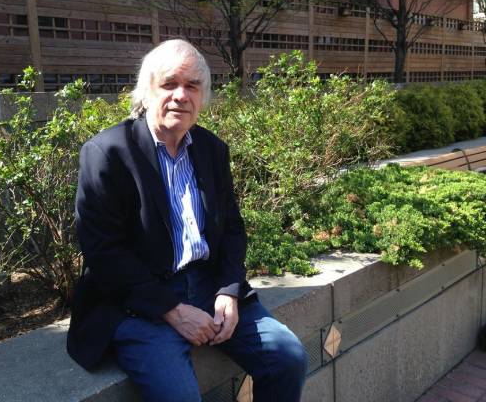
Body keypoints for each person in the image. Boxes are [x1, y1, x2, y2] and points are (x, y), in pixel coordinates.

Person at [67, 39, 308, 401]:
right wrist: (172, 310)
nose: (181, 95)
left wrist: (228, 291)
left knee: (288, 358)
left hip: (210, 287)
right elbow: (103, 252)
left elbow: (230, 228)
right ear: (146, 92)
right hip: (139, 302)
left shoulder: (211, 150)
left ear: (203, 97)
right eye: (169, 84)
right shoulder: (108, 153)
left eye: (192, 86)